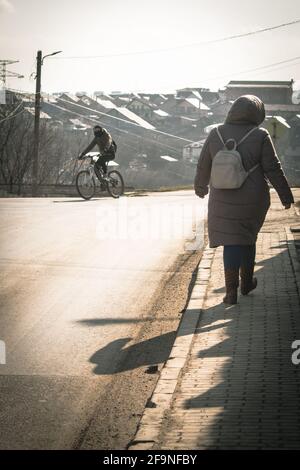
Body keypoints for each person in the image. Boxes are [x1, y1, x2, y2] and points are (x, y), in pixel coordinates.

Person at [194, 95, 294, 305]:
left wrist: (200, 187)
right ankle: (246, 283)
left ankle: (231, 292)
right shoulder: (260, 135)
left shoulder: (216, 133)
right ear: (258, 113)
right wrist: (285, 195)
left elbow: (204, 164)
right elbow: (272, 168)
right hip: (253, 198)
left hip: (221, 196)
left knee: (230, 242)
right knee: (247, 237)